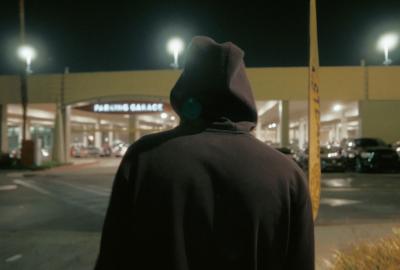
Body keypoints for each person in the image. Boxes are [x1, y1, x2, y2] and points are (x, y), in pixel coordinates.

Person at [94, 36, 314, 270]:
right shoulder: (287, 174)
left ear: (185, 90)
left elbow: (113, 255)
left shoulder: (144, 158)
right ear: (244, 93)